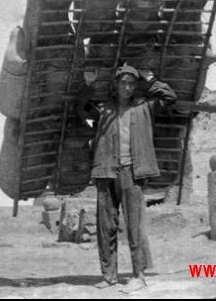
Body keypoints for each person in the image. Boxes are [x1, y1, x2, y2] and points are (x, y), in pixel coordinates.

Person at [78, 64, 176, 293]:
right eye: (123, 82)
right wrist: (88, 85)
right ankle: (109, 275)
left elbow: (169, 97)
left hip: (133, 173)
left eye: (132, 83)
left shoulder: (144, 107)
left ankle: (139, 276)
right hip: (106, 172)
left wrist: (150, 78)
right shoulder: (104, 110)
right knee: (106, 226)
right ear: (116, 84)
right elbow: (82, 109)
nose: (127, 86)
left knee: (135, 226)